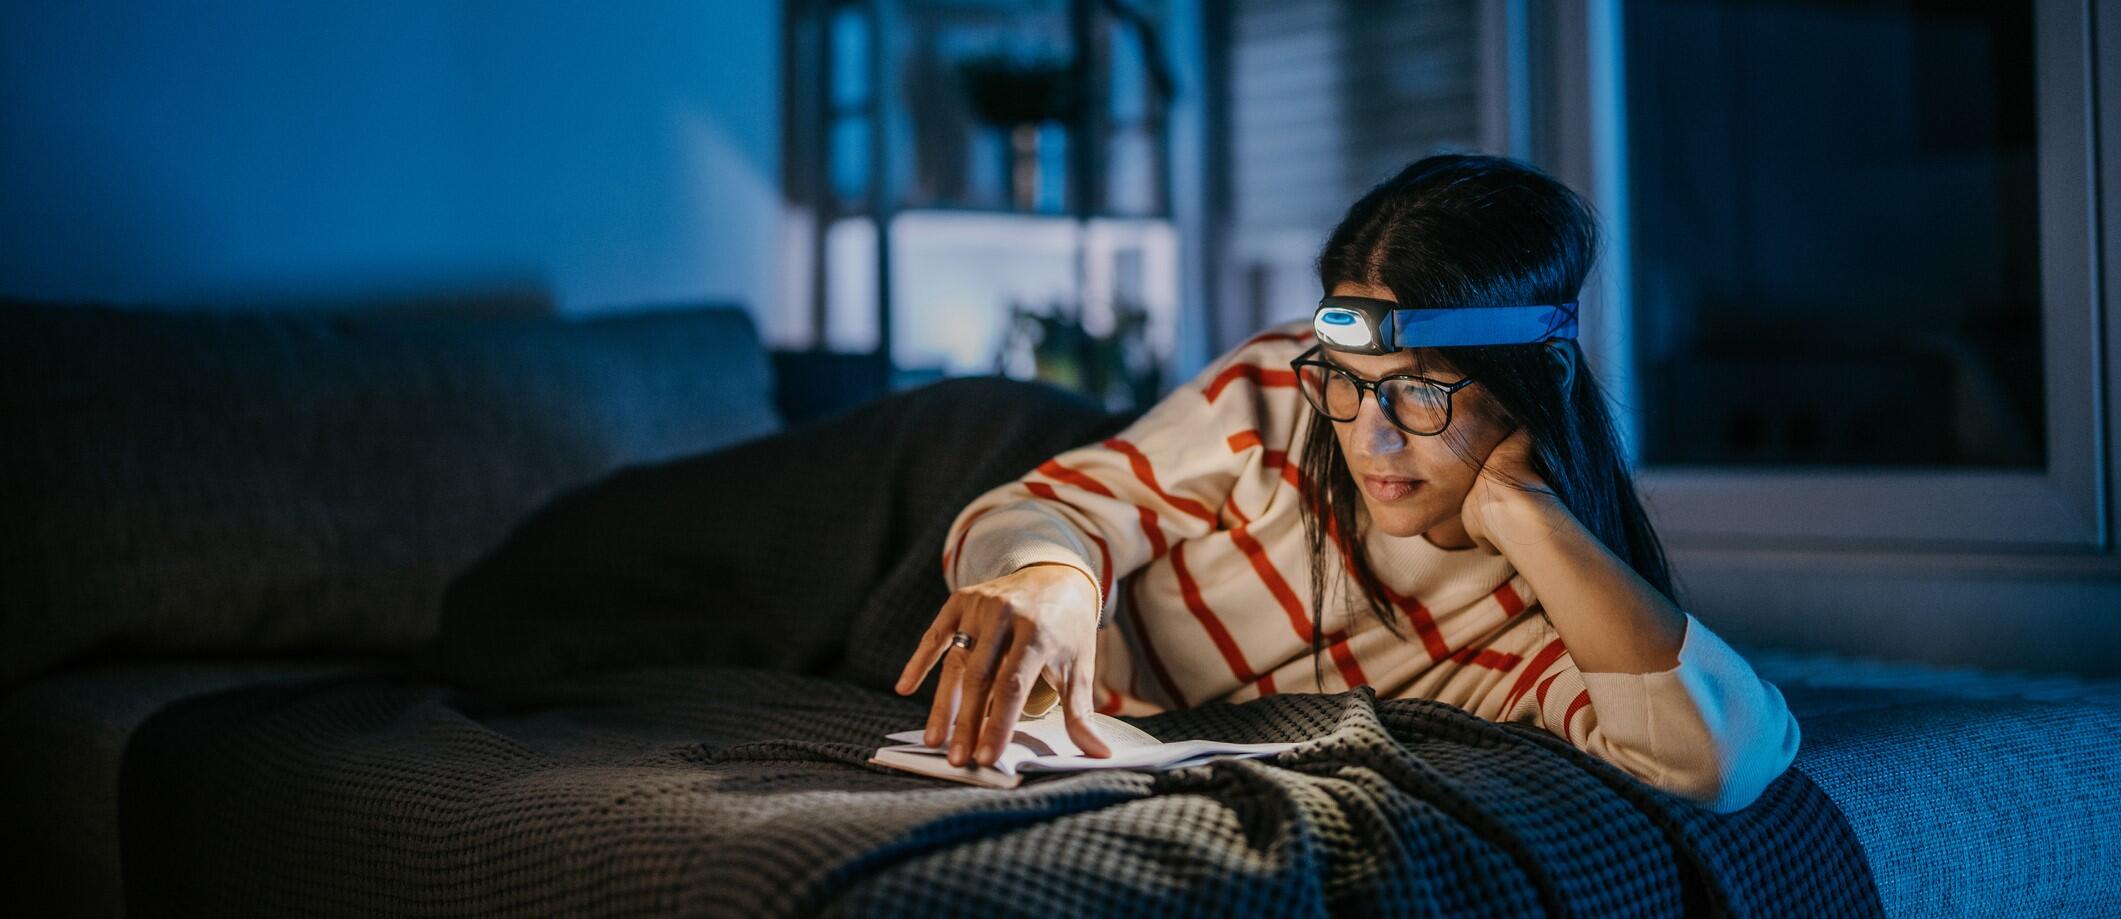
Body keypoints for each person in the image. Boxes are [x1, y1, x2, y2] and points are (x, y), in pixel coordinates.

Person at [893, 153, 1800, 814]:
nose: (1370, 438)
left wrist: (1523, 514)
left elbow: (1714, 759)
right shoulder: (1277, 393)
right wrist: (1048, 577)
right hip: (946, 467)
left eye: (1418, 390)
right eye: (1344, 382)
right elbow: (1046, 507)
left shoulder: (1541, 621)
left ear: (1540, 386)